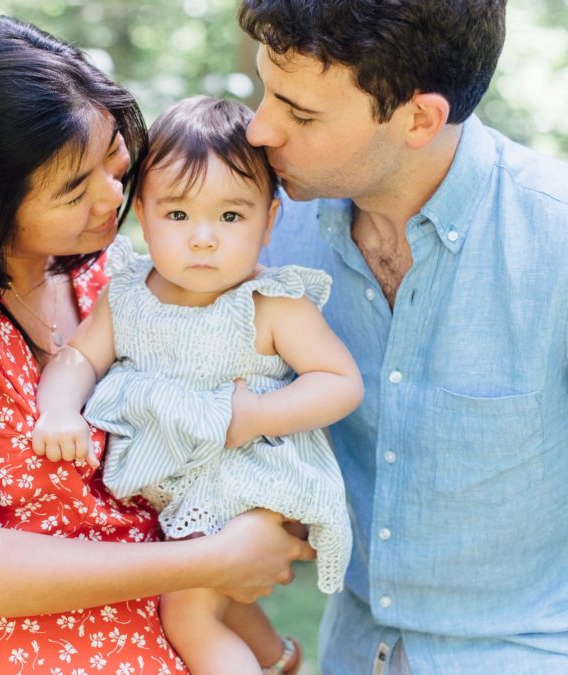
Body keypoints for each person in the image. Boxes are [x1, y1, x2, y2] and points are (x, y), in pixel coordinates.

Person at [0, 14, 315, 674]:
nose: (112, 198)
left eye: (115, 165)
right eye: (73, 188)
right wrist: (216, 558)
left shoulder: (110, 274)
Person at [238, 1, 568, 673]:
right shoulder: (273, 234)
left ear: (420, 119)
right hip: (352, 653)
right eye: (265, 92)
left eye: (300, 114)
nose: (258, 128)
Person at [32, 95, 363, 675]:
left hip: (251, 482)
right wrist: (58, 410)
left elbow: (339, 383)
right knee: (219, 606)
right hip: (183, 486)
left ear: (269, 221)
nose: (203, 238)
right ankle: (275, 660)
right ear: (142, 213)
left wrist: (255, 415)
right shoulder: (130, 294)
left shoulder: (271, 303)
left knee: (187, 614)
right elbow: (77, 359)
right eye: (178, 215)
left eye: (231, 216)